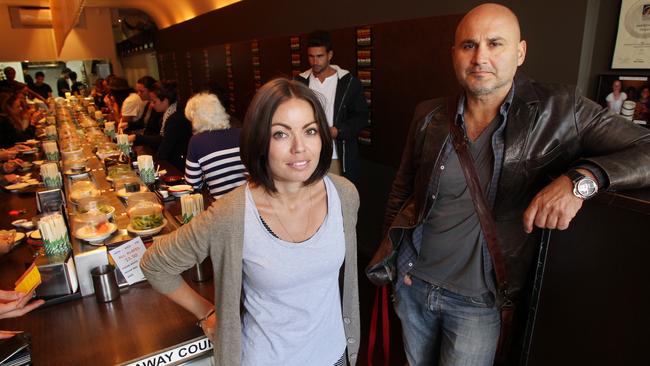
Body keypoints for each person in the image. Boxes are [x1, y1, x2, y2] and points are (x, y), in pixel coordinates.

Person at [368, 3, 650, 365]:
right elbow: (401, 191)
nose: (480, 57)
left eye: (495, 44)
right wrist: (392, 263)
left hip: (480, 304)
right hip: (413, 285)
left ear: (520, 53)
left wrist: (581, 181)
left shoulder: (561, 109)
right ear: (454, 54)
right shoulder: (430, 115)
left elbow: (645, 148)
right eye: (468, 45)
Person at [141, 78, 361, 366]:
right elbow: (155, 264)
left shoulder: (344, 194)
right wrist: (207, 312)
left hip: (335, 356)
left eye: (310, 131)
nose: (300, 147)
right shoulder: (232, 213)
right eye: (281, 134)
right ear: (259, 139)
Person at [295, 30, 369, 185]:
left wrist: (337, 131)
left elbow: (361, 117)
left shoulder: (348, 82)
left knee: (339, 203)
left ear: (330, 55)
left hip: (337, 157)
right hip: (307, 156)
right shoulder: (299, 82)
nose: (315, 62)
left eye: (320, 56)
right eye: (311, 56)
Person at [184, 92, 247, 198]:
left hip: (223, 208)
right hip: (252, 204)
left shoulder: (197, 141)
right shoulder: (243, 133)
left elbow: (192, 185)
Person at [129, 81, 191, 171]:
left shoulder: (175, 119)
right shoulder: (171, 112)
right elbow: (163, 138)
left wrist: (151, 165)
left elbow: (164, 150)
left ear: (165, 100)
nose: (152, 105)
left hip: (178, 166)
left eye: (154, 101)